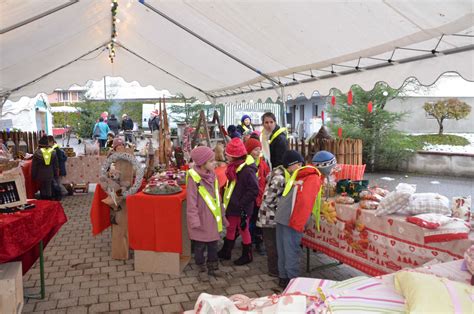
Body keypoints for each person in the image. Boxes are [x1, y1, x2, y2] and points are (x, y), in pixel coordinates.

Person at [275, 150, 323, 288]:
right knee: (290, 251)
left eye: (289, 167)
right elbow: (305, 202)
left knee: (284, 249)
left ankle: (283, 278)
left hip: (283, 216)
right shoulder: (310, 177)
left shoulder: (301, 175)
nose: (288, 170)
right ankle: (292, 282)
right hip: (292, 218)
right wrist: (299, 223)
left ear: (297, 164)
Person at [187, 146, 228, 278]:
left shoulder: (213, 175)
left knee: (213, 244)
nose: (214, 163)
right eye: (211, 161)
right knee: (199, 246)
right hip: (200, 219)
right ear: (202, 164)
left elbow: (218, 197)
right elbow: (191, 202)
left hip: (212, 219)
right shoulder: (194, 178)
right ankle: (202, 268)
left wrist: (222, 215)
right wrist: (194, 220)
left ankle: (213, 267)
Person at [217, 138, 259, 265]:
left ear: (234, 156)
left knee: (243, 229)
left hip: (241, 207)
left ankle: (247, 255)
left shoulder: (246, 170)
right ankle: (227, 251)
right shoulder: (234, 167)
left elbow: (253, 190)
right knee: (230, 228)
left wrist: (240, 203)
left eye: (227, 154)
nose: (225, 156)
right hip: (233, 205)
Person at [257, 159, 288, 277]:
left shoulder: (277, 174)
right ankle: (274, 270)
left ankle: (274, 268)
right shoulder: (280, 178)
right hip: (269, 217)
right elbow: (268, 198)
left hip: (269, 216)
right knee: (272, 245)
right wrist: (285, 202)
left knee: (272, 244)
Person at [244, 137, 270, 255]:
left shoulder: (263, 164)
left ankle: (259, 242)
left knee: (259, 220)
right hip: (250, 197)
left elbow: (267, 177)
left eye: (259, 149)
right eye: (255, 150)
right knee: (250, 220)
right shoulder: (245, 165)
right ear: (248, 151)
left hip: (260, 196)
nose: (258, 152)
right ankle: (249, 240)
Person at [31, 136, 59, 200]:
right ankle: (49, 200)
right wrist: (55, 174)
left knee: (42, 188)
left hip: (40, 174)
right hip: (50, 173)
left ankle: (43, 200)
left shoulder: (36, 153)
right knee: (49, 188)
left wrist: (33, 175)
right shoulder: (53, 152)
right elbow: (56, 165)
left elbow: (34, 166)